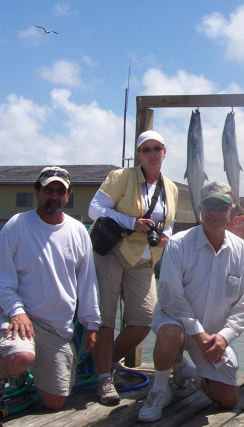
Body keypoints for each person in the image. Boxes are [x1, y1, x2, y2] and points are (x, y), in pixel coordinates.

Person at [138, 181, 244, 423]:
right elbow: (171, 297)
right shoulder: (178, 244)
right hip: (176, 320)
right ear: (200, 209)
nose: (214, 212)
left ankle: (185, 369)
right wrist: (196, 332)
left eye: (221, 206)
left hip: (213, 335)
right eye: (208, 205)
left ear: (230, 212)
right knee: (170, 333)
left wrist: (223, 337)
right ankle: (160, 389)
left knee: (228, 400)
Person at [0, 166, 101, 414]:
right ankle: (13, 370)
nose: (53, 196)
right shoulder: (16, 225)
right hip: (21, 318)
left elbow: (88, 282)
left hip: (57, 329)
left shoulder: (78, 231)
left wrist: (92, 324)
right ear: (37, 192)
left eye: (59, 191)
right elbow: (2, 278)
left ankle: (22, 374)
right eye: (48, 190)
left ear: (68, 195)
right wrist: (16, 311)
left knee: (55, 402)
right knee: (20, 357)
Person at [88, 130, 178, 405]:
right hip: (112, 253)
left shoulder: (171, 187)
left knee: (145, 319)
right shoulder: (121, 177)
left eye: (157, 148)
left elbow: (169, 222)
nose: (152, 153)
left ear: (164, 152)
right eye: (146, 149)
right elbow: (95, 208)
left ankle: (109, 362)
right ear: (139, 154)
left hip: (143, 259)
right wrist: (132, 222)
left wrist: (166, 236)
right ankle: (104, 379)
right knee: (105, 318)